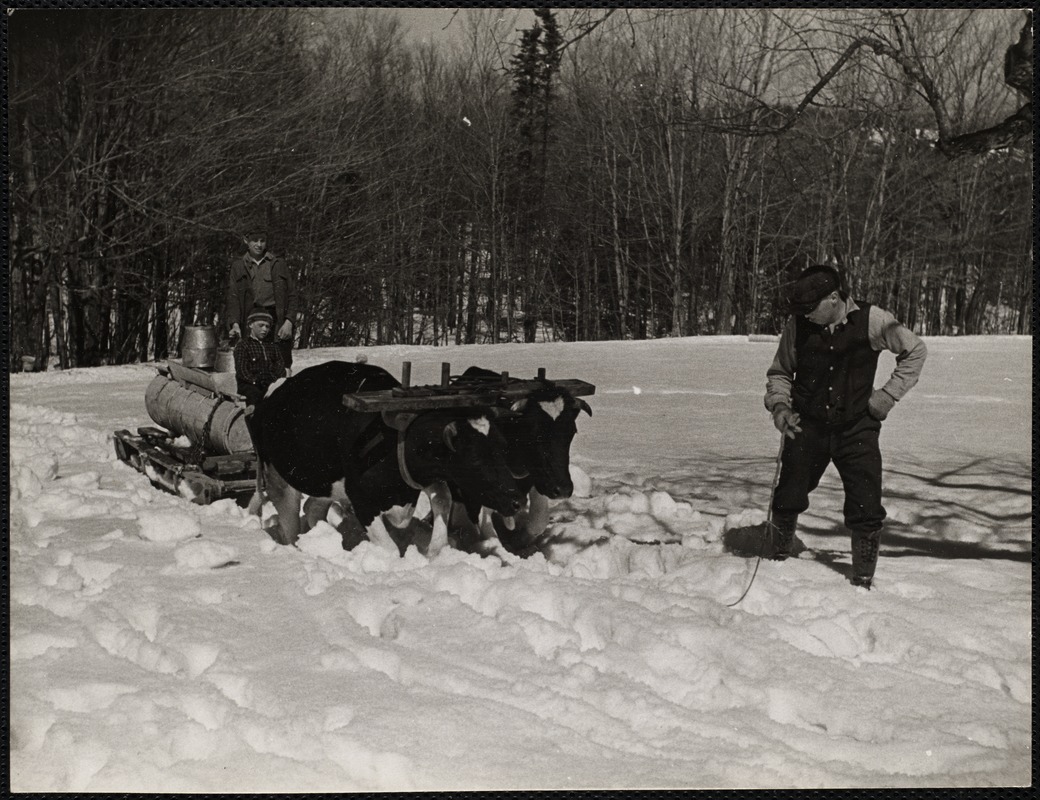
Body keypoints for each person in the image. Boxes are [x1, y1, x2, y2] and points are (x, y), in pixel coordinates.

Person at [763, 263, 927, 589]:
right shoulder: (798, 325)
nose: (806, 315)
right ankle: (777, 558)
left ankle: (863, 578)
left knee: (866, 503)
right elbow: (780, 372)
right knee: (789, 492)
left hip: (856, 427)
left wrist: (886, 397)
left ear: (834, 298)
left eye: (811, 308)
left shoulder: (873, 320)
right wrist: (780, 406)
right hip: (806, 425)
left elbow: (915, 350)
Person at [225, 221, 300, 375]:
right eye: (255, 240)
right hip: (251, 321)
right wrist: (235, 324)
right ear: (246, 241)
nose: (259, 245)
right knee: (252, 367)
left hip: (276, 322)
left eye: (262, 240)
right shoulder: (238, 266)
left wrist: (289, 322)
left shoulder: (278, 264)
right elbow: (233, 299)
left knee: (281, 367)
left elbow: (292, 295)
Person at [234, 307, 286, 408]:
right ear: (250, 325)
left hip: (270, 382)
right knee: (257, 397)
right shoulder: (243, 345)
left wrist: (274, 381)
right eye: (261, 325)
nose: (264, 329)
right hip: (250, 384)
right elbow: (242, 371)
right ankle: (253, 414)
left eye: (267, 326)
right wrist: (256, 381)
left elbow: (280, 366)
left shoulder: (272, 346)